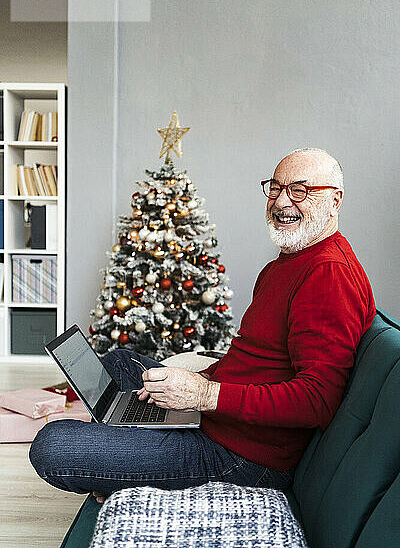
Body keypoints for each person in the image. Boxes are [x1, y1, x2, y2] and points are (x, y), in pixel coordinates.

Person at [29, 148, 376, 504]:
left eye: (300, 190)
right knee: (121, 362)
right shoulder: (287, 263)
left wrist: (204, 395)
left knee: (52, 445)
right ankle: (124, 446)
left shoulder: (328, 275)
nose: (282, 201)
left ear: (334, 200)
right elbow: (256, 359)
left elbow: (316, 401)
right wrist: (204, 380)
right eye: (275, 188)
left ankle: (119, 459)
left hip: (242, 456)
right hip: (217, 418)